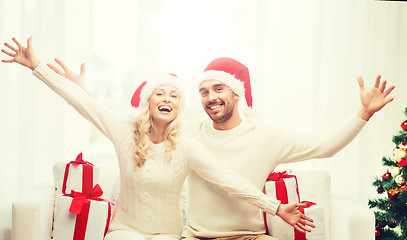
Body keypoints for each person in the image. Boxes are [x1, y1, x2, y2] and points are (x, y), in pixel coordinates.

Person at [1, 37, 315, 240]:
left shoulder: (187, 144)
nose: (167, 98)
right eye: (159, 93)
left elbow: (228, 179)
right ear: (149, 102)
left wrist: (275, 207)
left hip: (168, 233)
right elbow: (85, 105)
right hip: (124, 230)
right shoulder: (124, 131)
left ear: (180, 106)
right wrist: (36, 66)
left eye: (175, 95)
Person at [181, 57, 395, 240]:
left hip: (249, 236)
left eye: (219, 89)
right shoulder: (188, 133)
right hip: (197, 236)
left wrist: (364, 113)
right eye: (204, 92)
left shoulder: (264, 137)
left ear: (236, 93)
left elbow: (325, 147)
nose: (211, 98)